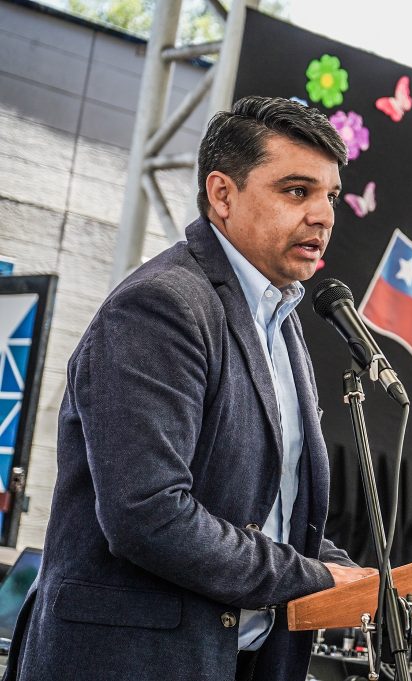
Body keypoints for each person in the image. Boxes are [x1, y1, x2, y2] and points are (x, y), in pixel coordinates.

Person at [3, 96, 376, 681]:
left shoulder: (281, 320)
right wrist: (312, 577)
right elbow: (148, 515)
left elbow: (268, 516)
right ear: (222, 195)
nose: (323, 216)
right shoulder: (162, 305)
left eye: (330, 195)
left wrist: (363, 580)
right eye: (296, 191)